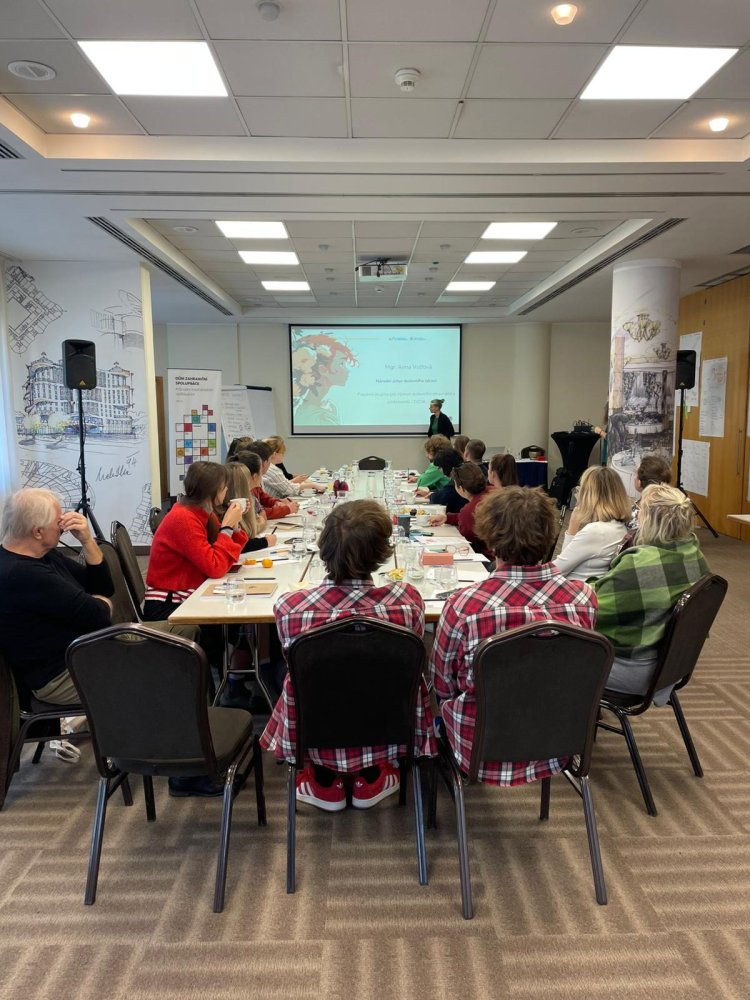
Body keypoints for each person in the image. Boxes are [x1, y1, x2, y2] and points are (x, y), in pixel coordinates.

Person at [261, 499, 436, 811]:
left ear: (323, 548)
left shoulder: (290, 608)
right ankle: (372, 773)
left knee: (290, 672)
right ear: (382, 552)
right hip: (390, 725)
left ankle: (322, 777)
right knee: (375, 672)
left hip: (316, 725)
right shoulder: (409, 603)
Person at [430, 487, 597, 785]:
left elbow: (443, 685)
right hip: (559, 740)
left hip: (478, 747)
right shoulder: (583, 599)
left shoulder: (465, 606)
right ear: (550, 535)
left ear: (489, 537)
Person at [593, 483, 709, 705]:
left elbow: (592, 611)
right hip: (670, 667)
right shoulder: (696, 555)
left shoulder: (640, 563)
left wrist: (580, 586)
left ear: (650, 520)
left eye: (639, 510)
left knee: (553, 648)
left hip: (632, 670)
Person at [0, 488, 114, 705]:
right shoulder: (23, 573)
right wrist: (102, 603)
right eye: (59, 520)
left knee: (174, 649)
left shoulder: (43, 555)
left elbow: (103, 588)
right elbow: (100, 615)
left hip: (84, 652)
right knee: (164, 667)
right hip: (61, 675)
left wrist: (87, 541)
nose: (64, 524)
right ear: (38, 532)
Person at [143, 461, 247, 622]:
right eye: (223, 487)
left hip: (187, 593)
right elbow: (215, 567)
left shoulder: (201, 511)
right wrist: (226, 527)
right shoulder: (183, 519)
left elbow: (228, 551)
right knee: (236, 607)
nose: (226, 489)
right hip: (167, 604)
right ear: (212, 491)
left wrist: (234, 525)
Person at [553, 466, 630, 581]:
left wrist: (572, 527)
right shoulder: (618, 526)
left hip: (576, 589)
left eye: (581, 489)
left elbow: (556, 571)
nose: (578, 493)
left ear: (589, 495)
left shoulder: (595, 532)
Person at [292, 333, 358, 426]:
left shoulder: (325, 407)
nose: (347, 370)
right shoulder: (315, 416)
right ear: (323, 370)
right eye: (341, 364)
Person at [429, 463, 494, 558]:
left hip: (488, 558)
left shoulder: (469, 510)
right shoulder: (494, 491)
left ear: (461, 489)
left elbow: (467, 540)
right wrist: (447, 518)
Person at [219, 460, 276, 553]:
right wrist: (265, 542)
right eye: (249, 483)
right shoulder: (222, 513)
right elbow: (238, 545)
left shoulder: (245, 503)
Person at [237, 442, 299, 519]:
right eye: (270, 461)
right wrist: (287, 509)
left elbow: (263, 498)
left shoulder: (254, 482)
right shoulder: (247, 486)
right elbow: (259, 513)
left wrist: (277, 502)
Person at [628, 454, 672, 532]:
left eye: (635, 474)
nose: (634, 477)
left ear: (639, 483)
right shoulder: (674, 510)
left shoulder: (631, 515)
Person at [428, 448, 467, 515]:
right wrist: (431, 492)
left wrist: (431, 495)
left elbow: (438, 499)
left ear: (446, 466)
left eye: (439, 467)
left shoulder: (457, 480)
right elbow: (445, 491)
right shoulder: (462, 473)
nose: (439, 469)